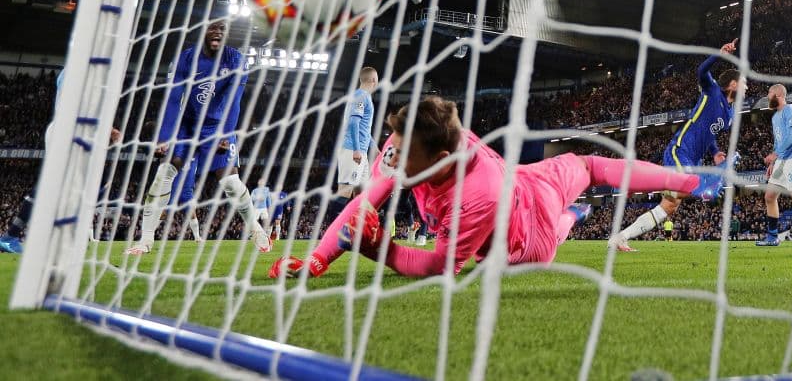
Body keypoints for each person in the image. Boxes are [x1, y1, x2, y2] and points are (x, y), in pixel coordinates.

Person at [269, 96, 725, 279]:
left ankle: (576, 216)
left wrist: (380, 250)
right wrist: (320, 256)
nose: (389, 160)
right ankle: (580, 211)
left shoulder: (475, 195)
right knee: (584, 169)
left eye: (399, 154)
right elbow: (366, 202)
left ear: (441, 160)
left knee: (587, 172)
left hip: (532, 228)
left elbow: (438, 267)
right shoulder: (409, 144)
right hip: (523, 178)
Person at [126, 20, 270, 255]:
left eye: (223, 30)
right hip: (186, 125)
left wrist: (225, 134)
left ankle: (255, 229)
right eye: (213, 29)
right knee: (164, 172)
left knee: (231, 183)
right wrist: (164, 137)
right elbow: (173, 99)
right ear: (203, 33)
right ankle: (145, 240)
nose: (218, 33)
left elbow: (234, 101)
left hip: (216, 126)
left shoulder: (236, 61)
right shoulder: (186, 59)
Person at [608, 39, 743, 252]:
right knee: (687, 188)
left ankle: (621, 237)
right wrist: (719, 54)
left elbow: (709, 133)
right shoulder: (713, 91)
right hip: (681, 150)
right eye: (743, 82)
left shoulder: (730, 114)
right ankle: (702, 185)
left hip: (694, 159)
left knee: (670, 205)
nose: (746, 86)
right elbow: (701, 71)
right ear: (733, 84)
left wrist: (716, 152)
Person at [0, 69, 121, 254]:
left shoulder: (82, 68)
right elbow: (76, 107)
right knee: (94, 181)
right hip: (68, 131)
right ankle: (19, 235)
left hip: (69, 131)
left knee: (62, 185)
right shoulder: (82, 69)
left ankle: (17, 235)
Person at [756, 84, 792, 247]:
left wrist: (775, 154)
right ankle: (773, 237)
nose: (768, 96)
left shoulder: (790, 111)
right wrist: (773, 162)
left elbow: (791, 138)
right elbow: (778, 142)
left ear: (779, 95)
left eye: (770, 93)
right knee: (769, 196)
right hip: (780, 160)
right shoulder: (775, 117)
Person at [326, 67, 378, 220]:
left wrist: (373, 147)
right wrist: (356, 149)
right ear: (373, 80)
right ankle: (330, 235)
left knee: (363, 193)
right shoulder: (361, 97)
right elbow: (354, 123)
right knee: (345, 190)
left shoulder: (362, 97)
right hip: (352, 150)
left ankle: (357, 232)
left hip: (361, 151)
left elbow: (364, 128)